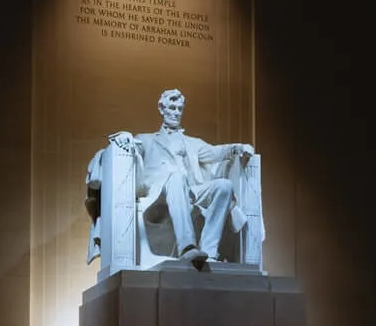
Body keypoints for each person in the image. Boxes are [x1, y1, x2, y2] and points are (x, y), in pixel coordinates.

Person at [86, 89, 254, 268]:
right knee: (176, 177)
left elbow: (215, 152)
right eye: (172, 107)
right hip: (160, 194)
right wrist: (124, 137)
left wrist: (237, 148)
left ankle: (210, 251)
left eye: (179, 109)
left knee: (224, 186)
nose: (175, 112)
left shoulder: (192, 143)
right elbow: (133, 148)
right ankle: (187, 247)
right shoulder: (146, 139)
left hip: (190, 191)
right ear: (161, 109)